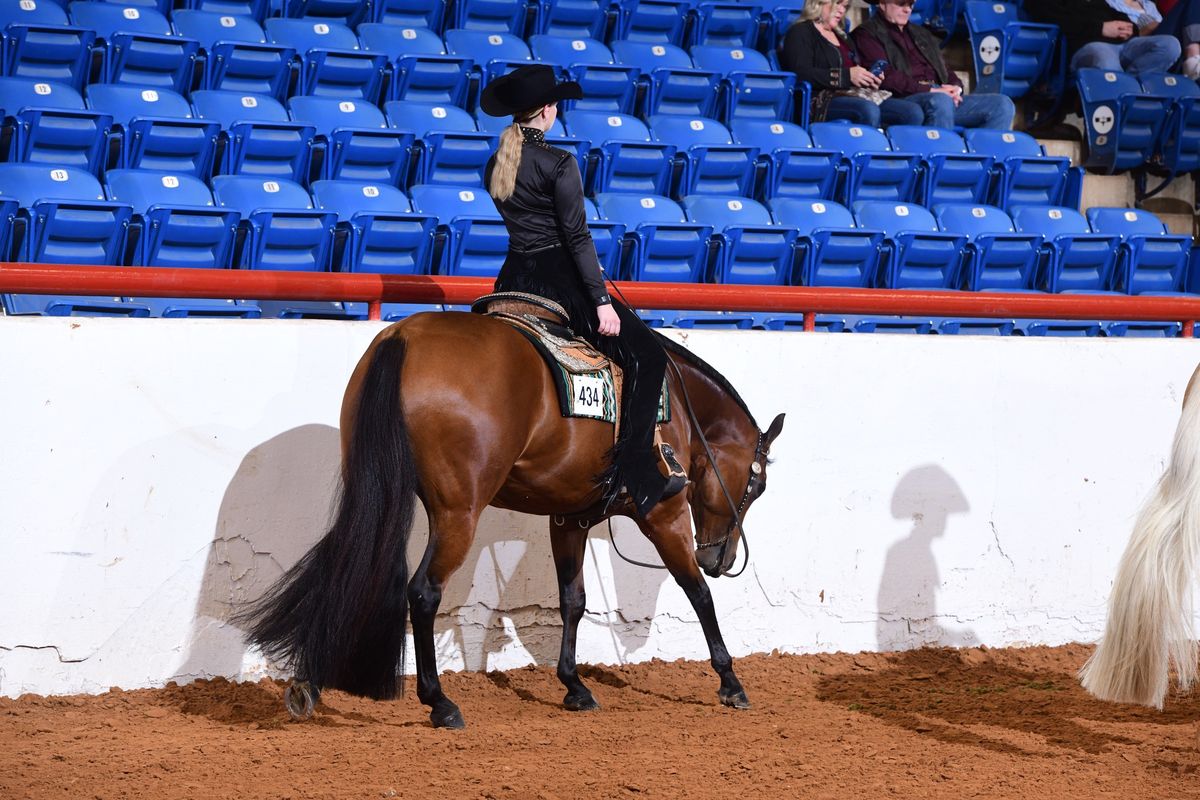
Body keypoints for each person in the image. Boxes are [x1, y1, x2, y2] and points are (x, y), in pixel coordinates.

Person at [478, 65, 688, 517]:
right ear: (548, 111)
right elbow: (576, 238)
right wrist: (600, 300)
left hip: (513, 278)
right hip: (561, 280)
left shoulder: (495, 164)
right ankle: (636, 470)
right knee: (648, 357)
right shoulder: (559, 163)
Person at [852, 0, 1016, 130]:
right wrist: (932, 90)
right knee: (940, 101)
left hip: (939, 96)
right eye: (901, 3)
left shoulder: (922, 34)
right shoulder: (867, 34)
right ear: (882, 3)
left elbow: (945, 69)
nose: (907, 9)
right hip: (905, 98)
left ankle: (982, 168)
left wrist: (955, 88)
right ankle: (941, 167)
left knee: (1002, 105)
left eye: (910, 4)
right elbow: (887, 77)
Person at [780, 0, 924, 127]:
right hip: (822, 100)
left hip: (854, 94)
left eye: (845, 6)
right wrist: (847, 76)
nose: (842, 10)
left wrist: (869, 79)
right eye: (838, 3)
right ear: (819, 2)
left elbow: (855, 71)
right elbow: (800, 73)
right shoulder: (800, 32)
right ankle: (867, 156)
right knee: (868, 110)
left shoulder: (842, 36)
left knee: (912, 112)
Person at [1025, 0, 1182, 76]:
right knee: (1104, 57)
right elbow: (1054, 20)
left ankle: (1130, 87)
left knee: (1170, 45)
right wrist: (1100, 28)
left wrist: (1128, 28)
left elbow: (1117, 15)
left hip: (1125, 44)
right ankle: (1122, 100)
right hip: (1090, 45)